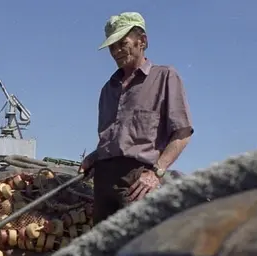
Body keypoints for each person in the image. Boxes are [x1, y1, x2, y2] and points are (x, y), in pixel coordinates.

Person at [78, 12, 194, 225]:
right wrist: (94, 157)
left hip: (137, 182)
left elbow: (183, 133)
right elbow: (118, 141)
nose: (116, 52)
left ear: (142, 41)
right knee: (102, 251)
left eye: (122, 43)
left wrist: (156, 172)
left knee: (133, 250)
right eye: (112, 47)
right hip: (103, 182)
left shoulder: (165, 77)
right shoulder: (108, 89)